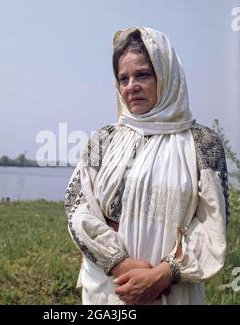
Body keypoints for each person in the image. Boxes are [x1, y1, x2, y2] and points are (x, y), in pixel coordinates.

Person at [64, 26, 229, 305]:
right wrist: (121, 264)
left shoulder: (203, 143)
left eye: (143, 74)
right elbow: (77, 207)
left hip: (172, 292)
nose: (132, 86)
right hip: (108, 288)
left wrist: (164, 274)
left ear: (166, 75)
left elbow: (213, 225)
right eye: (123, 78)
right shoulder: (103, 140)